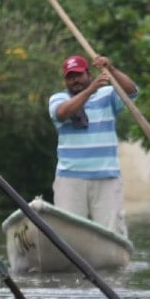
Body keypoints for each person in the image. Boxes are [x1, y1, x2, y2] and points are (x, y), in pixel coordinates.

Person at [48, 54, 138, 238]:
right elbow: (62, 113)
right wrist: (90, 90)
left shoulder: (107, 95)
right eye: (70, 77)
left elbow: (131, 92)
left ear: (88, 74)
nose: (75, 80)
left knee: (111, 233)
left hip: (106, 176)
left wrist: (111, 69)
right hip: (70, 179)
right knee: (68, 235)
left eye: (79, 75)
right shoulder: (58, 99)